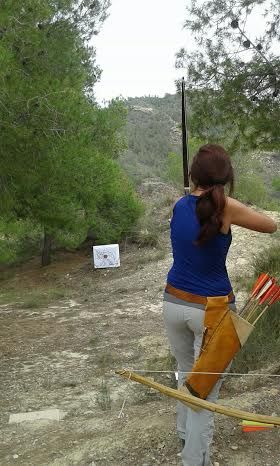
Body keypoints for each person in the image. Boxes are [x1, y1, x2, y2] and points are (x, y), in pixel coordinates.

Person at [162, 144, 277, 466]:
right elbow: (271, 225)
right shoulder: (226, 208)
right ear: (226, 178)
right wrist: (228, 201)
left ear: (192, 175)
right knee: (204, 394)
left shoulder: (179, 204)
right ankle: (193, 460)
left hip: (172, 302)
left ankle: (185, 436)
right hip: (212, 311)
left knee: (187, 375)